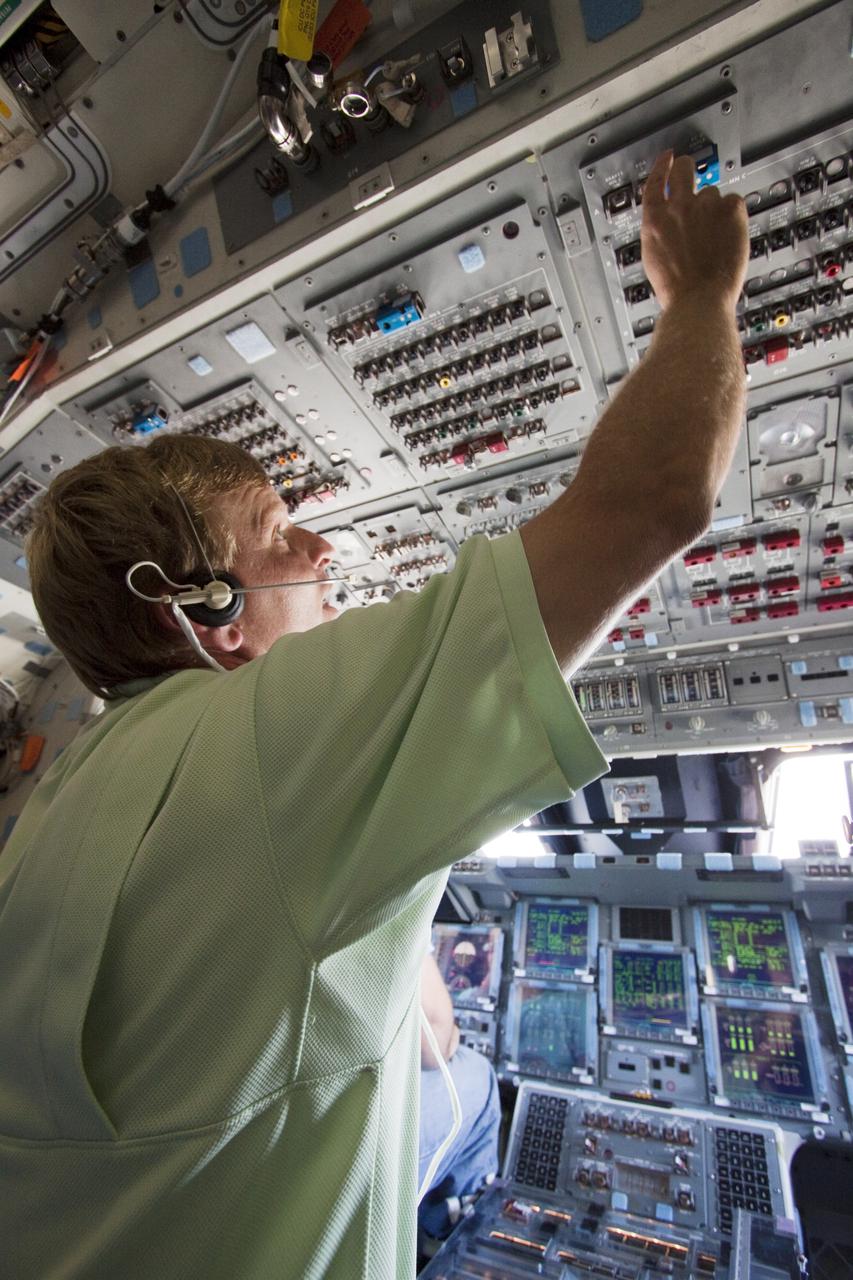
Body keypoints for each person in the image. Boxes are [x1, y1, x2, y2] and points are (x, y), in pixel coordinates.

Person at [0, 151, 748, 1279]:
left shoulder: (49, 810)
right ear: (206, 616)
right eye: (276, 530)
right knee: (474, 1094)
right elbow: (653, 498)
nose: (320, 547)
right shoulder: (272, 738)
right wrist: (702, 295)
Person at [417, 955, 500, 1243]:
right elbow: (434, 1046)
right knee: (479, 1073)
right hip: (359, 1141)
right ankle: (455, 1233)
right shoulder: (385, 907)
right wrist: (451, 1032)